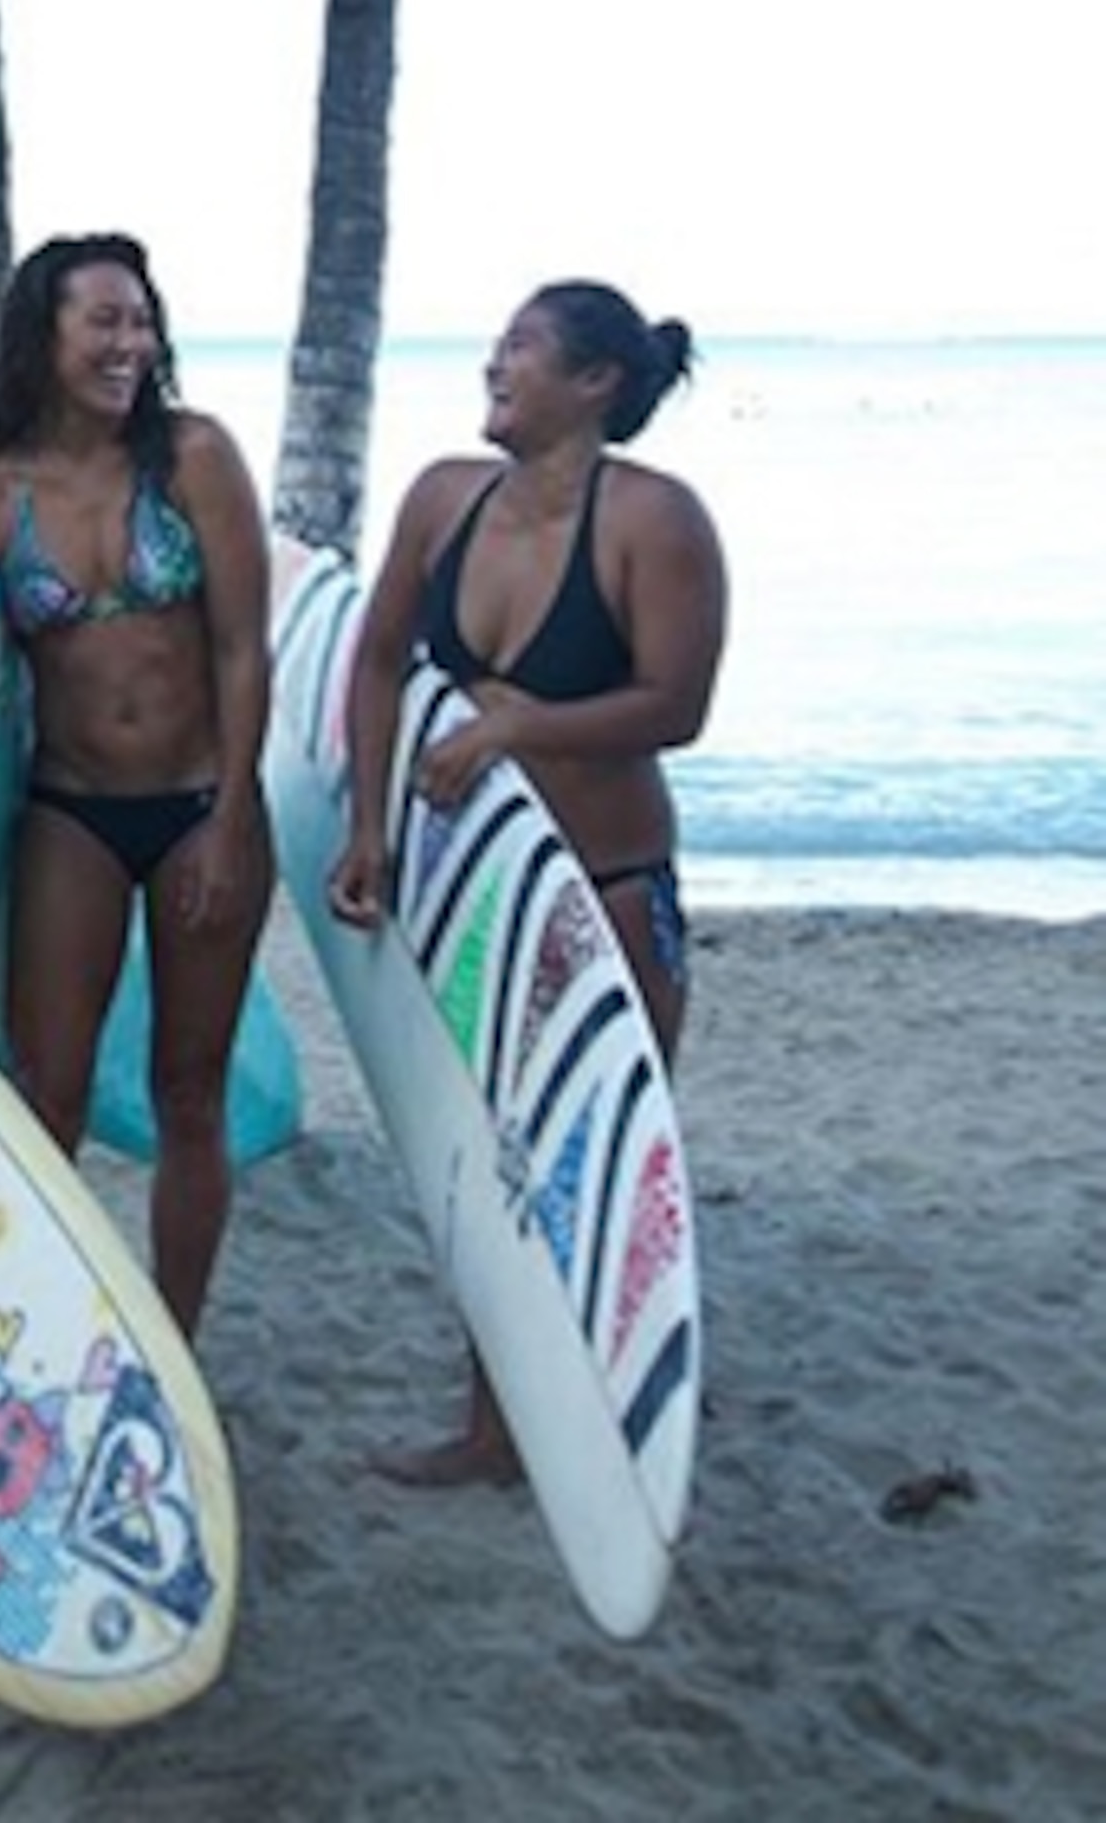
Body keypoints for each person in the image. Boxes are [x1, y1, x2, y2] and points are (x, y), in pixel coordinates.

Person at [328, 277, 729, 1484]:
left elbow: (678, 705)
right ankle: (495, 1431)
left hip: (608, 892)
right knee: (487, 1157)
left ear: (595, 382)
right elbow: (378, 658)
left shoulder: (653, 521)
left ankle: (622, 1428)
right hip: (475, 891)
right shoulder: (446, 500)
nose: (492, 366)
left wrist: (516, 731)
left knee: (596, 1160)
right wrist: (365, 826)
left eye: (519, 348)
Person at [0, 234, 272, 1339]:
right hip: (69, 813)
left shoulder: (191, 458)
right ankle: (43, 1328)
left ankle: (171, 1347)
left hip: (199, 806)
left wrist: (233, 817)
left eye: (141, 320)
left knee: (191, 1093)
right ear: (46, 334)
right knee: (51, 1099)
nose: (130, 342)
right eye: (104, 321)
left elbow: (241, 651)